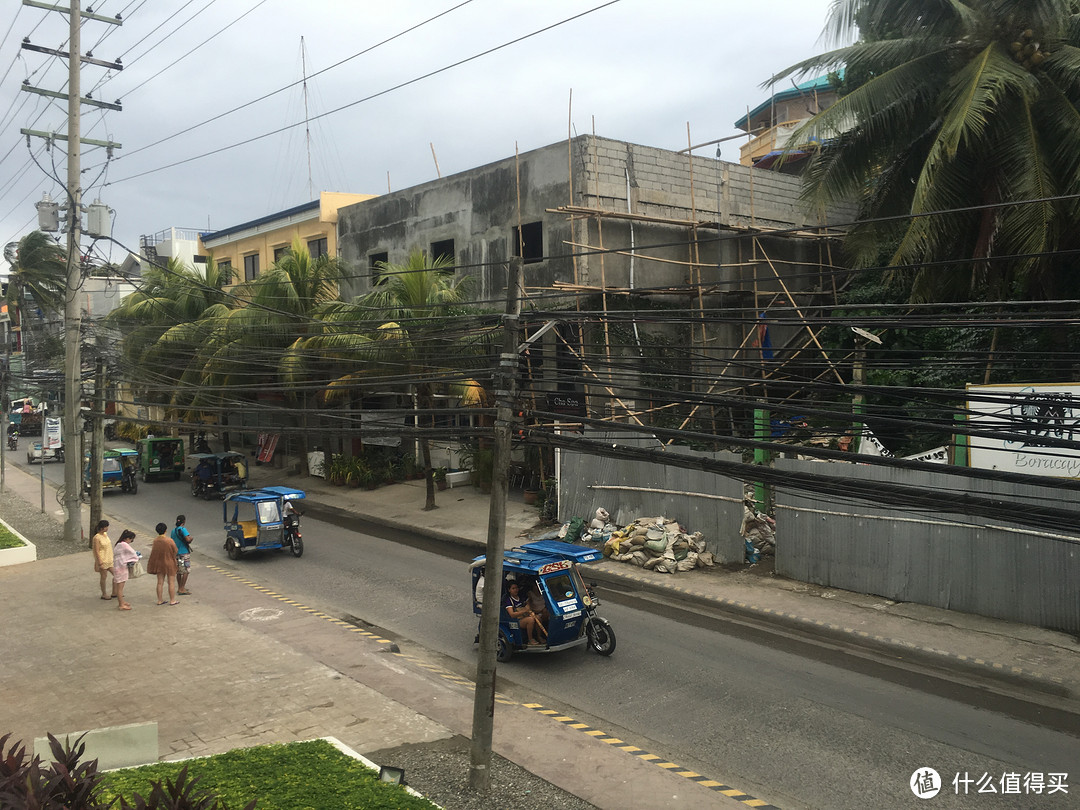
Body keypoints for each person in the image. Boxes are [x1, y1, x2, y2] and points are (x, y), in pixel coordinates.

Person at [146, 522, 179, 605]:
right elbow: (176, 550)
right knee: (171, 581)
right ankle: (172, 600)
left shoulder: (156, 540)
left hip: (159, 563)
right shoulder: (169, 540)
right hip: (169, 562)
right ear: (165, 530)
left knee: (160, 582)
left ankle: (159, 600)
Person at [503, 580, 542, 646]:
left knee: (538, 617)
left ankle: (539, 637)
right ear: (509, 590)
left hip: (526, 616)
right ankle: (530, 639)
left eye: (516, 588)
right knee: (530, 620)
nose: (516, 590)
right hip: (517, 620)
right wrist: (524, 611)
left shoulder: (521, 597)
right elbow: (512, 615)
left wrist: (529, 608)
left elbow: (528, 605)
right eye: (513, 588)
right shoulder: (509, 601)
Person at [111, 530, 140, 611]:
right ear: (127, 538)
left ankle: (122, 602)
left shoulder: (118, 544)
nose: (131, 542)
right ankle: (121, 604)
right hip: (122, 568)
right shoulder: (124, 545)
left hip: (117, 567)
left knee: (119, 587)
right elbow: (133, 553)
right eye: (131, 540)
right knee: (120, 588)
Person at [170, 514, 194, 595]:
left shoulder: (173, 531)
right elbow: (187, 539)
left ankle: (180, 587)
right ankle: (182, 588)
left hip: (176, 553)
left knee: (179, 571)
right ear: (184, 522)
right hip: (184, 553)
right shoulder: (183, 529)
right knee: (186, 571)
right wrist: (191, 538)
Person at [91, 519, 114, 600]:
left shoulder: (105, 534)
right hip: (103, 559)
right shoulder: (96, 538)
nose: (107, 528)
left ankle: (115, 592)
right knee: (103, 577)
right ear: (102, 528)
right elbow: (96, 550)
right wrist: (99, 561)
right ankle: (104, 593)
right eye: (106, 527)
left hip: (109, 559)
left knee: (117, 574)